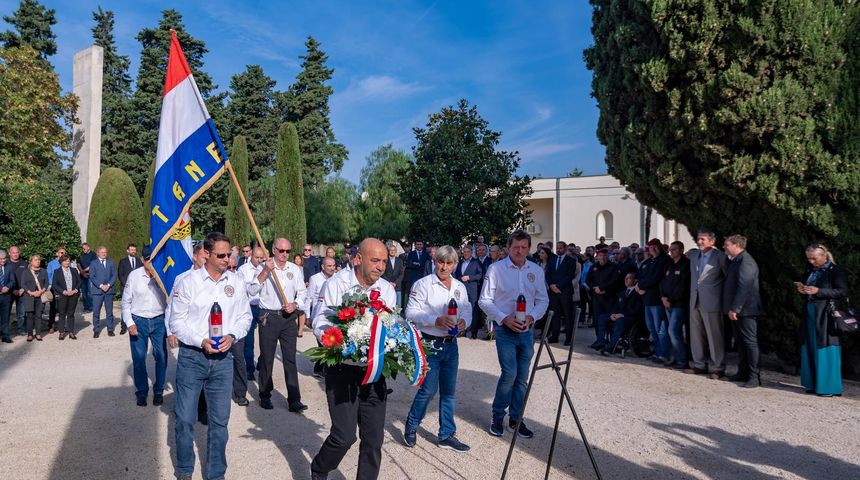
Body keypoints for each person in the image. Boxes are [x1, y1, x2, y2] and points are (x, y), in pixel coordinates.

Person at [169, 232, 252, 480]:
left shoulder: (236, 282)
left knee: (219, 422)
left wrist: (233, 335)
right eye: (222, 255)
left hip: (223, 360)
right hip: (192, 358)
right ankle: (184, 469)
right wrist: (200, 341)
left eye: (230, 255)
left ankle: (216, 473)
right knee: (184, 419)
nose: (228, 259)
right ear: (206, 254)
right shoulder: (187, 283)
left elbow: (245, 317)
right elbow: (176, 322)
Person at [310, 238, 396, 480]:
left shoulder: (387, 290)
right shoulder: (336, 284)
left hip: (374, 370)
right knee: (344, 435)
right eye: (375, 260)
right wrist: (336, 338)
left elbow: (391, 325)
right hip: (342, 369)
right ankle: (319, 467)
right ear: (358, 259)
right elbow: (320, 321)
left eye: (384, 262)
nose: (380, 267)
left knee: (373, 439)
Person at [479, 230, 549, 439]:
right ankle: (498, 415)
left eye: (524, 247)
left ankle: (516, 418)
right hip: (505, 330)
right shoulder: (496, 269)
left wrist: (532, 317)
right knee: (509, 373)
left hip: (526, 331)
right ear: (508, 248)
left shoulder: (535, 271)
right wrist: (503, 318)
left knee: (522, 377)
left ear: (529, 248)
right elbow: (484, 300)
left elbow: (543, 300)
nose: (519, 251)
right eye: (516, 247)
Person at [403, 245, 471, 452]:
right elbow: (410, 312)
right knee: (429, 389)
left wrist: (464, 323)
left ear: (455, 264)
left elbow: (467, 310)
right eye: (441, 262)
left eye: (449, 263)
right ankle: (412, 424)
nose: (444, 267)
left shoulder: (460, 287)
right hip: (430, 344)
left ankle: (446, 434)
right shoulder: (423, 284)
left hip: (451, 345)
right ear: (435, 262)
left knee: (449, 392)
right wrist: (435, 320)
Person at [248, 238, 308, 412]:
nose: (284, 254)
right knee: (267, 358)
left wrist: (295, 304)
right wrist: (266, 271)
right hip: (269, 317)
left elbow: (302, 293)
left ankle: (294, 400)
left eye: (288, 251)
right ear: (273, 250)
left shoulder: (295, 269)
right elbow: (252, 290)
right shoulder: (263, 267)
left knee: (290, 359)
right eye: (281, 251)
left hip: (289, 318)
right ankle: (265, 395)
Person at [797, 243, 847, 397]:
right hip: (811, 311)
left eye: (814, 258)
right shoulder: (810, 269)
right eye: (809, 259)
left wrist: (819, 291)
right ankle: (812, 383)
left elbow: (842, 291)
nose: (811, 261)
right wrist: (803, 290)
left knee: (826, 346)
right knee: (810, 345)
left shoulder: (835, 270)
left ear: (823, 255)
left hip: (826, 314)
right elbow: (809, 290)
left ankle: (828, 387)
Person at [121, 245, 168, 406]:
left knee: (161, 356)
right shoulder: (134, 276)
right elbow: (125, 302)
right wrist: (129, 323)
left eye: (154, 259)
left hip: (159, 320)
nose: (151, 262)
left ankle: (159, 390)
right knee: (139, 358)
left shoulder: (164, 276)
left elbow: (171, 302)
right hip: (138, 320)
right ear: (142, 260)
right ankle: (141, 391)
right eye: (148, 259)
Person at [686, 229, 728, 379]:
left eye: (703, 239)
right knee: (696, 335)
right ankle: (699, 365)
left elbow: (728, 278)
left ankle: (718, 367)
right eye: (698, 239)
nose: (699, 242)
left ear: (712, 241)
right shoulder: (694, 255)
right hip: (694, 300)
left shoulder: (720, 257)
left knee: (714, 335)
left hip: (712, 301)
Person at [722, 235, 763, 388]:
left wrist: (735, 308)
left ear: (737, 245)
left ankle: (754, 376)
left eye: (726, 244)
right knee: (740, 342)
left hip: (746, 310)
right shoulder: (736, 260)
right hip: (738, 310)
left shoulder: (746, 262)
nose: (724, 247)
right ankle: (743, 372)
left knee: (750, 342)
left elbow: (744, 287)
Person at [636, 239, 671, 363]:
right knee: (651, 328)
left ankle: (664, 353)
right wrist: (638, 286)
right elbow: (640, 276)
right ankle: (657, 351)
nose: (653, 249)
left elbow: (656, 277)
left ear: (660, 247)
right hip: (647, 300)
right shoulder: (649, 261)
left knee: (660, 329)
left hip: (657, 299)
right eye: (651, 247)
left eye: (656, 247)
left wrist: (641, 286)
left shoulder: (665, 261)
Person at [237, 246, 266, 382]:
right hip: (249, 306)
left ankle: (262, 362)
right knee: (248, 340)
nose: (259, 260)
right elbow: (246, 290)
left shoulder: (265, 268)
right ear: (251, 256)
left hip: (263, 307)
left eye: (261, 258)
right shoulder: (243, 270)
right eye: (257, 257)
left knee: (266, 338)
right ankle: (249, 368)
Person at [660, 241, 690, 369]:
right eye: (670, 249)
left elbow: (683, 286)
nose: (671, 252)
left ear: (681, 250)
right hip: (667, 303)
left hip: (678, 304)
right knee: (672, 331)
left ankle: (682, 360)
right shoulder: (669, 264)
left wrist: (670, 299)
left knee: (673, 331)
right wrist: (662, 297)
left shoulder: (686, 265)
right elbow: (662, 282)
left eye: (674, 249)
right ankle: (675, 357)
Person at [306, 256, 338, 378]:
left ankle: (326, 369)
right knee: (322, 343)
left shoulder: (337, 279)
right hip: (319, 315)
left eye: (333, 265)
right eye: (329, 266)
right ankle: (320, 369)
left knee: (332, 343)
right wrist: (308, 317)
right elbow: (309, 298)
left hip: (333, 315)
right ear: (323, 266)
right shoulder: (315, 279)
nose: (332, 268)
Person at [597, 273, 643, 355]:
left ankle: (611, 347)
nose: (625, 280)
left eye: (628, 278)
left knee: (620, 320)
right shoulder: (622, 293)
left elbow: (637, 309)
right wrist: (613, 314)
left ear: (635, 280)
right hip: (619, 315)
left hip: (630, 317)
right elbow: (616, 306)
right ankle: (601, 342)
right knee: (602, 317)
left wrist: (622, 315)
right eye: (625, 278)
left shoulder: (637, 294)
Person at [546, 241, 576, 344]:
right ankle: (555, 336)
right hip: (553, 292)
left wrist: (558, 286)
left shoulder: (571, 261)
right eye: (557, 248)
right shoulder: (552, 260)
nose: (558, 250)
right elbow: (548, 274)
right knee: (555, 315)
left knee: (567, 315)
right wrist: (551, 285)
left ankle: (568, 338)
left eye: (560, 248)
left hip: (565, 292)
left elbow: (570, 275)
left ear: (565, 248)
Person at [89, 246, 118, 338]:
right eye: (102, 252)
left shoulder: (111, 262)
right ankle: (96, 330)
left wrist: (108, 285)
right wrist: (101, 285)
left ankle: (110, 329)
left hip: (109, 290)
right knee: (96, 311)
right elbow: (92, 276)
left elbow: (114, 275)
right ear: (98, 253)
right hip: (97, 291)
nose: (104, 254)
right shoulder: (93, 263)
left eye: (105, 252)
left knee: (109, 312)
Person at [455, 244, 482, 340]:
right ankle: (462, 330)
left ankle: (473, 332)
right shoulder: (460, 262)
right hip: (461, 290)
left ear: (471, 252)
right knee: (461, 309)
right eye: (464, 252)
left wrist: (469, 277)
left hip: (472, 290)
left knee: (474, 310)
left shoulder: (476, 262)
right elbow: (457, 275)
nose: (466, 253)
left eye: (467, 252)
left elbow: (480, 275)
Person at [51, 254, 81, 340]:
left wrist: (75, 290)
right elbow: (54, 284)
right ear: (61, 262)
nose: (67, 262)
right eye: (65, 261)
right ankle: (61, 332)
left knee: (71, 314)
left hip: (73, 294)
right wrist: (63, 291)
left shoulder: (74, 270)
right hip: (62, 295)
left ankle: (71, 332)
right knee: (62, 314)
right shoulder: (57, 271)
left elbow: (79, 282)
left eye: (68, 261)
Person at [20, 254, 48, 341]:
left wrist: (41, 291)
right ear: (31, 262)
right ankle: (30, 334)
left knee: (38, 316)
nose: (38, 261)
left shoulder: (43, 271)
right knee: (29, 316)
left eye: (39, 260)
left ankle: (38, 334)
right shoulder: (26, 272)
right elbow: (23, 284)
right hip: (29, 296)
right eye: (36, 260)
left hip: (40, 296)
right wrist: (31, 292)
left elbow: (46, 283)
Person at [46, 246, 66, 333]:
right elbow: (48, 276)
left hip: (64, 288)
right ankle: (51, 325)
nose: (63, 254)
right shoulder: (51, 264)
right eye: (61, 253)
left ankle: (63, 325)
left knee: (63, 308)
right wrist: (53, 284)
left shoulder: (67, 263)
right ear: (57, 254)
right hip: (54, 288)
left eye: (64, 253)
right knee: (53, 308)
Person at [7, 246, 27, 335]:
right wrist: (12, 290)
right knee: (6, 313)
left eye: (17, 252)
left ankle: (21, 330)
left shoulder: (24, 264)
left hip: (22, 292)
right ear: (9, 253)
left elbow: (28, 278)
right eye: (13, 252)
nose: (15, 254)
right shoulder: (5, 263)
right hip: (9, 292)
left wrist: (23, 288)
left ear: (19, 253)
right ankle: (5, 330)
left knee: (21, 313)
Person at [381, 243, 405, 307]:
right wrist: (389, 282)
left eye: (394, 250)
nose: (392, 251)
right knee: (388, 304)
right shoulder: (385, 260)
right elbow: (382, 273)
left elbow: (402, 273)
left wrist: (395, 283)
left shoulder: (399, 261)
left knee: (398, 305)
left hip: (397, 286)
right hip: (387, 285)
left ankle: (398, 317)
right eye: (391, 250)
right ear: (388, 251)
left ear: (396, 251)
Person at [0, 250, 15, 343]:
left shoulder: (9, 267)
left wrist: (7, 287)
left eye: (4, 258)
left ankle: (5, 336)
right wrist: (1, 288)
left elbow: (13, 280)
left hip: (6, 296)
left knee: (5, 317)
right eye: (0, 259)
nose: (3, 260)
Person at [78, 242, 97, 313]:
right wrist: (82, 272)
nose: (83, 250)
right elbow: (78, 264)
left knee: (90, 292)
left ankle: (91, 307)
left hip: (90, 275)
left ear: (88, 247)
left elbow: (92, 265)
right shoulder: (81, 254)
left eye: (84, 248)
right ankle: (86, 307)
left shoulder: (93, 254)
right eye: (82, 249)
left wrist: (84, 271)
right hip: (82, 276)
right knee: (84, 292)